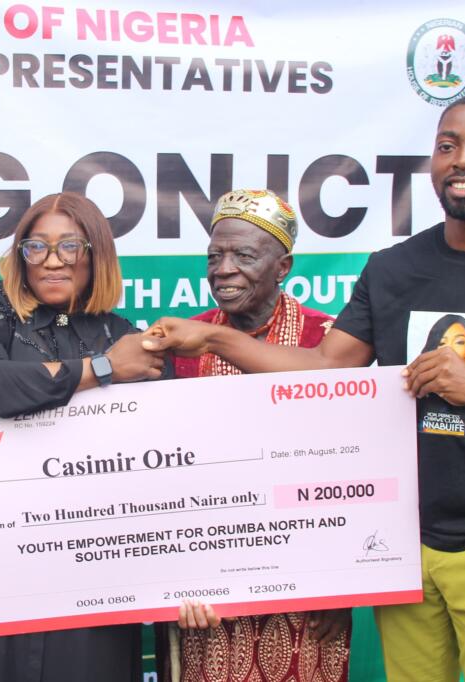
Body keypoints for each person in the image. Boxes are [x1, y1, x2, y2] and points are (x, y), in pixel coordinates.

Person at [143, 92, 465, 681]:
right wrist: (212, 339)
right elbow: (326, 367)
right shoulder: (393, 268)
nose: (464, 160)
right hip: (403, 542)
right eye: (448, 146)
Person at [0, 191, 165, 682]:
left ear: (96, 255)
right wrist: (102, 369)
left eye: (69, 246)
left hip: (90, 561)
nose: (52, 261)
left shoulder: (123, 334)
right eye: (36, 247)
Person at [161, 189, 350, 682]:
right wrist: (176, 578)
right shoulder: (183, 342)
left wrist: (344, 586)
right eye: (214, 257)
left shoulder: (328, 341)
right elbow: (163, 472)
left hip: (308, 584)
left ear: (282, 266)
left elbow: (354, 468)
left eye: (243, 256)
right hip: (207, 583)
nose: (223, 270)